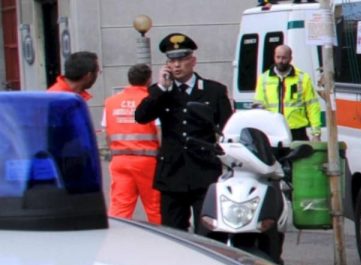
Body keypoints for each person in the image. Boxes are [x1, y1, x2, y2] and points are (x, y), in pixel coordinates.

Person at [135, 33, 233, 233]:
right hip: (172, 172)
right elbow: (141, 116)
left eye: (181, 60)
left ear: (193, 61)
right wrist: (162, 88)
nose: (176, 66)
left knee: (208, 231)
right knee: (173, 233)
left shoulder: (213, 91)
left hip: (203, 170)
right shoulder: (161, 92)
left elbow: (227, 128)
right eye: (172, 60)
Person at [102, 63, 161, 224]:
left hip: (119, 160)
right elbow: (159, 131)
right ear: (149, 79)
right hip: (147, 161)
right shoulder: (151, 100)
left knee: (120, 208)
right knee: (155, 206)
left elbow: (107, 132)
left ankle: (116, 242)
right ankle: (163, 241)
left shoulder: (111, 102)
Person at [254, 45, 321, 141]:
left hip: (297, 130)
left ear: (290, 58)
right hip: (273, 130)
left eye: (284, 58)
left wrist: (316, 133)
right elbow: (258, 105)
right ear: (274, 57)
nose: (280, 61)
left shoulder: (302, 78)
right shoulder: (264, 78)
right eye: (278, 57)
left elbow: (312, 106)